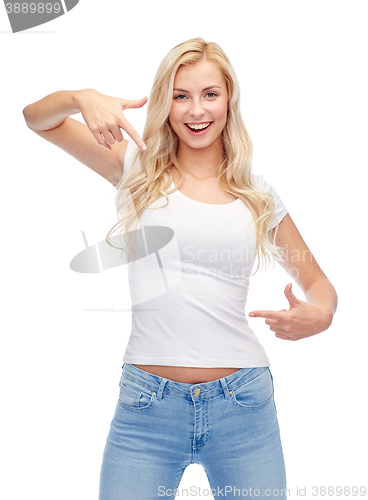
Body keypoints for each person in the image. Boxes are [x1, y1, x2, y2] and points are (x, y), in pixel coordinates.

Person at [23, 37, 337, 500]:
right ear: (165, 102)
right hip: (146, 410)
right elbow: (36, 119)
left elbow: (317, 281)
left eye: (210, 94)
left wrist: (322, 313)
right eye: (180, 95)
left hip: (243, 406)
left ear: (229, 99)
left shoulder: (257, 192)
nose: (196, 111)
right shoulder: (135, 168)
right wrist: (80, 98)